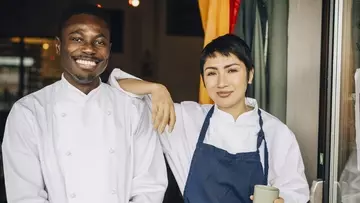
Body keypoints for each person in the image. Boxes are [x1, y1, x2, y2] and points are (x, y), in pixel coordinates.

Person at [108, 34, 310, 203]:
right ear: (203, 81)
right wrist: (156, 88)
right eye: (212, 73)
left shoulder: (277, 133)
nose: (222, 82)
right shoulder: (185, 119)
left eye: (232, 70)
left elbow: (295, 192)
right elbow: (117, 86)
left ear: (250, 74)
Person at [1, 4, 167, 203]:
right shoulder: (29, 112)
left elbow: (149, 187)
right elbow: (25, 196)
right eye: (77, 39)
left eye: (99, 41)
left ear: (109, 50)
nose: (89, 49)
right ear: (58, 45)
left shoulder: (134, 110)